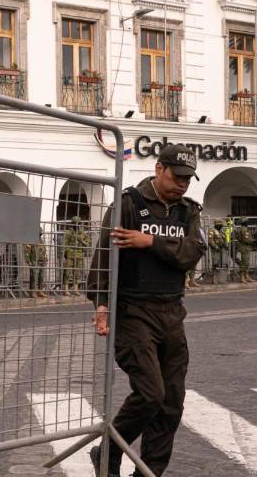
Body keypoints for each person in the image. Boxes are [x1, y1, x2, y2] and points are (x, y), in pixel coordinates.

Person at [86, 143, 203, 477]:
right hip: (133, 310)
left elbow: (193, 252)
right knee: (151, 393)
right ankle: (108, 452)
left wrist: (149, 242)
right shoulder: (128, 205)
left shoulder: (188, 211)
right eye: (177, 176)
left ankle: (149, 473)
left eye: (188, 178)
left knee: (172, 403)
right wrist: (102, 306)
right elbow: (103, 260)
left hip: (171, 312)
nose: (183, 184)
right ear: (159, 169)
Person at [63, 216, 90, 295]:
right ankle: (66, 290)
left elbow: (88, 244)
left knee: (77, 273)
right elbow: (65, 245)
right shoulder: (68, 233)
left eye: (78, 223)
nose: (76, 225)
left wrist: (81, 240)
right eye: (75, 223)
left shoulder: (83, 233)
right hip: (70, 255)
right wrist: (66, 255)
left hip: (79, 255)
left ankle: (75, 289)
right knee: (67, 273)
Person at [24, 228, 48, 298]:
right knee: (34, 277)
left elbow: (44, 251)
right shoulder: (31, 240)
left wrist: (46, 259)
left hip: (41, 261)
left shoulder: (41, 241)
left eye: (41, 232)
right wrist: (28, 261)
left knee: (41, 277)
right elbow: (27, 251)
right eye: (40, 232)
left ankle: (40, 291)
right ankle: (33, 292)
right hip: (34, 262)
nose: (41, 233)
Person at [234, 218, 254, 284]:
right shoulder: (244, 229)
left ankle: (246, 276)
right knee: (244, 263)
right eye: (247, 221)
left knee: (247, 262)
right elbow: (246, 240)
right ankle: (242, 277)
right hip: (245, 247)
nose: (248, 222)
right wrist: (254, 241)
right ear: (244, 222)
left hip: (246, 248)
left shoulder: (243, 229)